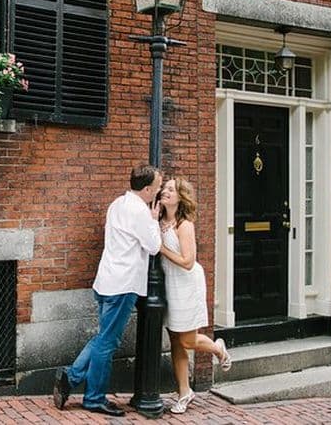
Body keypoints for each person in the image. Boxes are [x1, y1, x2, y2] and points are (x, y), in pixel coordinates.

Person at [52, 165, 163, 417]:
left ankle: (72, 377)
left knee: (103, 337)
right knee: (107, 342)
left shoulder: (117, 204)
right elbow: (154, 246)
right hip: (123, 285)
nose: (157, 191)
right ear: (147, 189)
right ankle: (93, 398)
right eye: (156, 187)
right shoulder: (141, 213)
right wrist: (155, 221)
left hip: (106, 281)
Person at [157, 177, 231, 414]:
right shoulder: (159, 220)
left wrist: (162, 248)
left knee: (188, 340)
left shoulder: (184, 224)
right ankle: (184, 392)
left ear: (180, 197)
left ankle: (218, 349)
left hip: (186, 284)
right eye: (164, 188)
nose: (165, 191)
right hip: (169, 285)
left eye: (171, 189)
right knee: (176, 342)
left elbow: (188, 262)